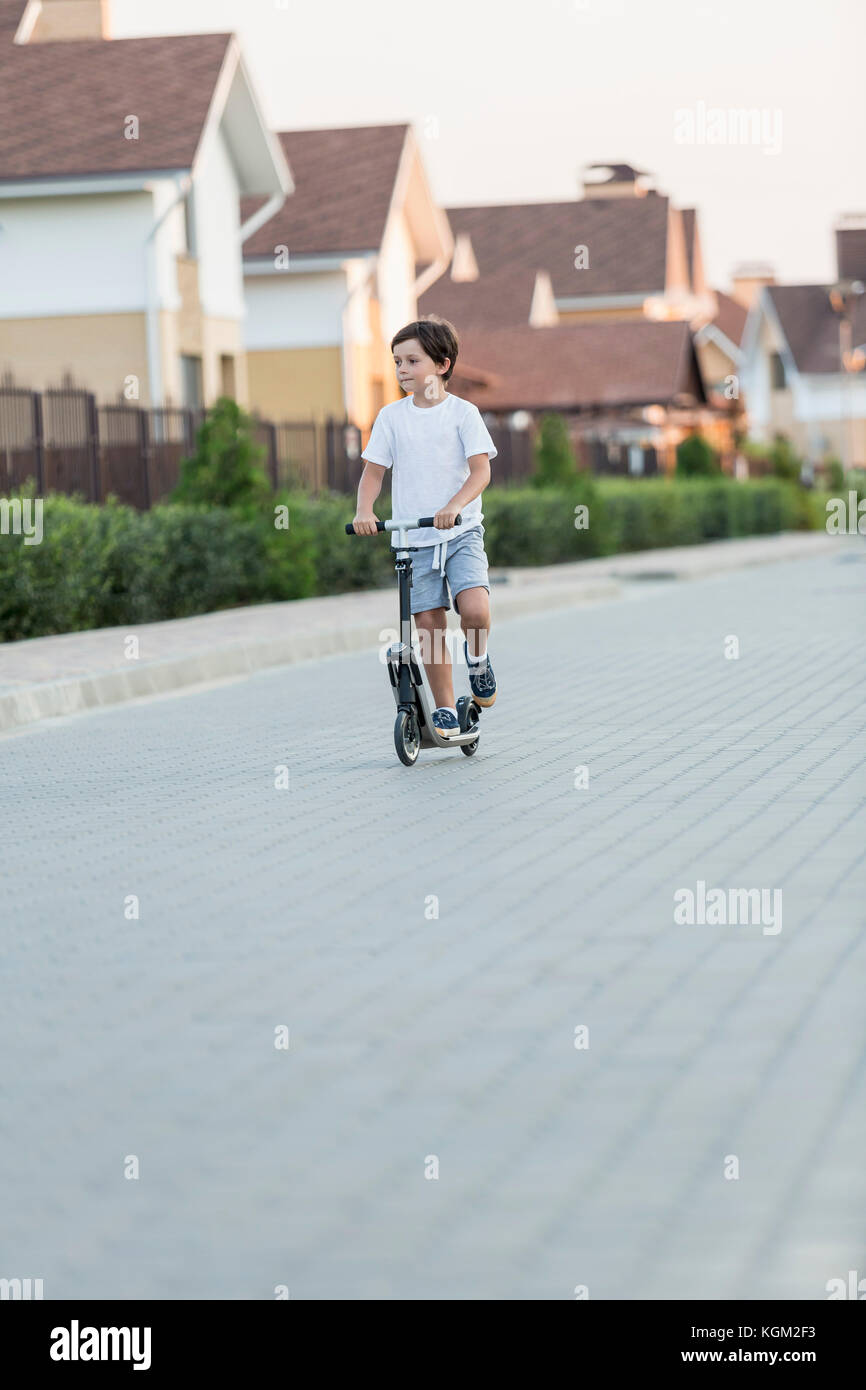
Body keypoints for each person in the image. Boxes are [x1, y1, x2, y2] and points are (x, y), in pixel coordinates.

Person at [353, 315, 497, 738]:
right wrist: (365, 510)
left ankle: (479, 659)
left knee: (474, 609)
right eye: (397, 361)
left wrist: (453, 506)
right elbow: (373, 473)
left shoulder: (463, 414)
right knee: (429, 626)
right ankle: (446, 708)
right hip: (412, 539)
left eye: (411, 360)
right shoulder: (391, 418)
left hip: (461, 532)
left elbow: (481, 472)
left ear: (442, 364)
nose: (401, 370)